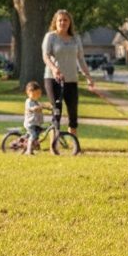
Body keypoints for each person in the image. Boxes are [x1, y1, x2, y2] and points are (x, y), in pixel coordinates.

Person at [42, 8, 95, 152]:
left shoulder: (75, 38)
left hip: (71, 79)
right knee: (56, 113)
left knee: (73, 114)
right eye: (60, 20)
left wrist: (88, 77)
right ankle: (54, 147)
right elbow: (46, 56)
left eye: (65, 20)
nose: (63, 22)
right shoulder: (50, 37)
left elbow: (81, 59)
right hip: (54, 79)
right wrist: (54, 68)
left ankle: (75, 147)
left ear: (70, 22)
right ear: (55, 22)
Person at [22, 81, 50, 155]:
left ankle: (33, 144)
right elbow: (31, 108)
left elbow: (42, 105)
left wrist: (48, 107)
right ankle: (29, 150)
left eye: (39, 94)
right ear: (28, 93)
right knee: (33, 135)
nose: (37, 96)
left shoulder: (36, 102)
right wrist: (35, 108)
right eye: (34, 94)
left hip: (36, 123)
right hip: (30, 123)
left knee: (38, 133)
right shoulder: (29, 101)